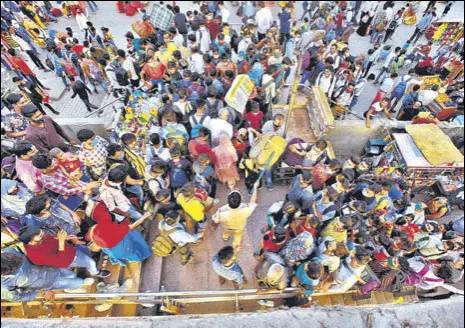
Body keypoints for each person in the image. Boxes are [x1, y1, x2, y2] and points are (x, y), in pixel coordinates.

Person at [1, 250, 95, 301]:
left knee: (72, 274)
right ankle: (78, 284)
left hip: (49, 267)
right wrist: (39, 293)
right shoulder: (4, 286)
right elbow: (17, 297)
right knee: (78, 282)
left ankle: (69, 288)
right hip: (47, 283)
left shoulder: (10, 252)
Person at [18, 226, 110, 278]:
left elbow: (50, 238)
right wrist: (62, 241)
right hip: (70, 259)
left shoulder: (38, 239)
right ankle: (95, 271)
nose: (44, 236)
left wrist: (66, 238)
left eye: (42, 234)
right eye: (41, 236)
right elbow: (62, 261)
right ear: (30, 242)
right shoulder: (36, 256)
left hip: (70, 249)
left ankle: (90, 264)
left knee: (86, 251)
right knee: (90, 262)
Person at [213, 181, 259, 251]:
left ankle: (225, 237)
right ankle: (236, 247)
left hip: (226, 227)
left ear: (228, 200)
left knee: (225, 232)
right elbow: (253, 202)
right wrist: (255, 188)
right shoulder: (246, 209)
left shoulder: (221, 211)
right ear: (240, 201)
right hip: (239, 228)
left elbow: (215, 221)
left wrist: (214, 226)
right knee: (238, 237)